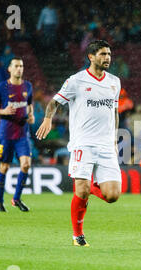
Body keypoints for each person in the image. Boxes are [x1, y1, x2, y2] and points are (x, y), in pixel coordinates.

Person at [36, 40, 122, 247]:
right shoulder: (76, 81)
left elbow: (115, 111)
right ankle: (78, 236)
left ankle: (90, 186)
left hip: (106, 145)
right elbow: (54, 102)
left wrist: (114, 136)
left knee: (112, 196)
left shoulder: (114, 82)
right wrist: (48, 118)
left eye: (109, 54)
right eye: (102, 54)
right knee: (80, 192)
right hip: (83, 143)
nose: (107, 58)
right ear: (91, 57)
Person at [0, 57, 35, 212]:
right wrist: (4, 111)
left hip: (22, 134)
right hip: (6, 134)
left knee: (26, 164)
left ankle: (16, 198)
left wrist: (31, 114)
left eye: (21, 66)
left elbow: (29, 103)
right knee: (4, 167)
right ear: (9, 69)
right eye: (16, 66)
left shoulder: (28, 86)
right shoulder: (2, 87)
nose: (19, 69)